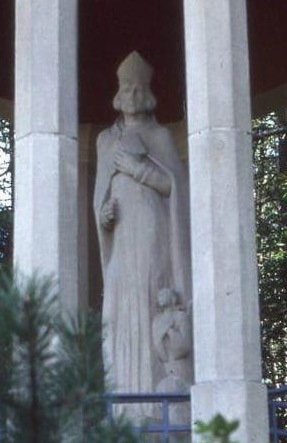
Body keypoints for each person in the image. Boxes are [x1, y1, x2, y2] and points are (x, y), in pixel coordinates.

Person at [94, 51, 191, 414]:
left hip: (152, 236)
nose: (132, 96)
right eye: (126, 88)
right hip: (121, 242)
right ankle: (122, 411)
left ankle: (155, 411)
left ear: (148, 93)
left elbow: (174, 186)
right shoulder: (104, 141)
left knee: (151, 302)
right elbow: (100, 195)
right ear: (118, 93)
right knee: (118, 312)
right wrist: (103, 216)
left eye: (138, 88)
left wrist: (138, 170)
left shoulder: (160, 135)